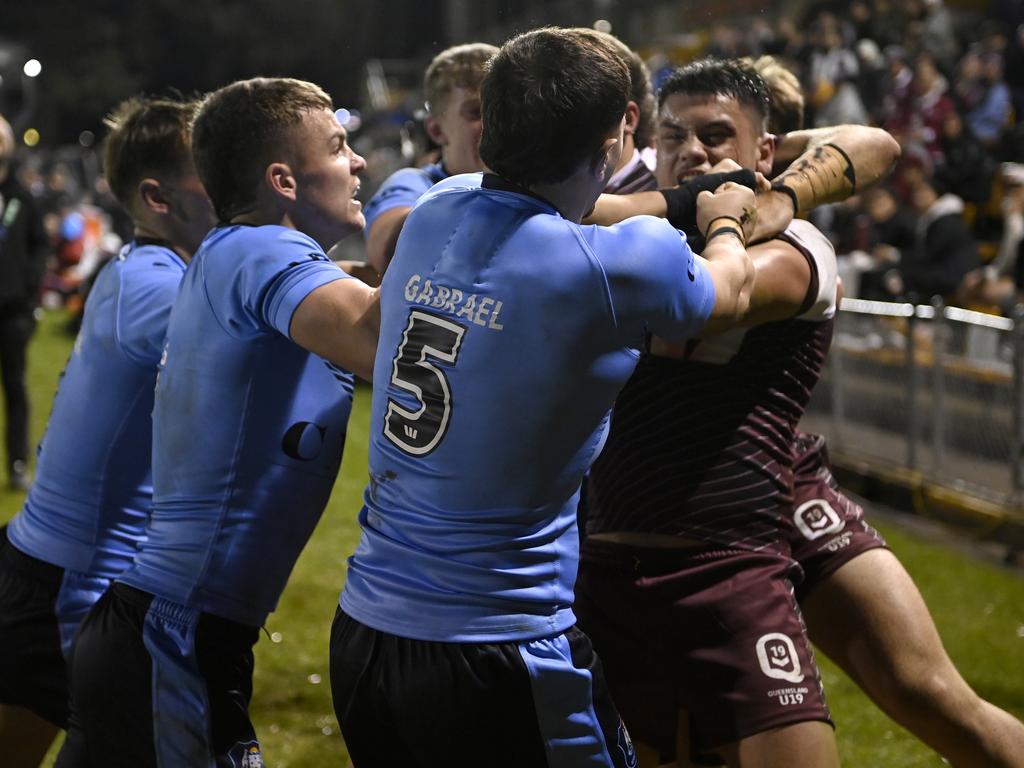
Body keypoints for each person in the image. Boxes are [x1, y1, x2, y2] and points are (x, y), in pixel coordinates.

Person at [330, 27, 763, 768]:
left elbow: (553, 215)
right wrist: (723, 218)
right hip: (500, 642)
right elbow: (731, 290)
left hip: (367, 629)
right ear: (618, 134)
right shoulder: (622, 264)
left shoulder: (437, 210)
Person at [576, 58, 1024, 768]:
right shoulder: (632, 214)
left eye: (719, 134)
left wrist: (764, 192)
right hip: (660, 515)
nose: (692, 149)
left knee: (925, 689)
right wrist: (693, 190)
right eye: (674, 136)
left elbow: (872, 143)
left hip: (762, 501)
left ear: (769, 147)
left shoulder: (792, 242)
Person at [58, 77, 380, 768]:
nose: (358, 163)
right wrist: (440, 225)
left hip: (158, 628)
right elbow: (385, 344)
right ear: (283, 180)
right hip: (175, 637)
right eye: (339, 146)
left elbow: (371, 289)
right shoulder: (259, 250)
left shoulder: (245, 253)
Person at [0, 95, 214, 768]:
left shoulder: (150, 271)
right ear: (156, 196)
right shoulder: (159, 286)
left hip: (66, 575)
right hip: (72, 589)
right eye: (215, 170)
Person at [362, 42, 497, 279]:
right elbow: (385, 249)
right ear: (436, 131)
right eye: (475, 112)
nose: (494, 123)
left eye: (500, 109)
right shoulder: (415, 183)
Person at [0, 114, 48, 491]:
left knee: (15, 388)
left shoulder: (22, 197)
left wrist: (26, 289)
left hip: (12, 313)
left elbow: (40, 248)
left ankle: (17, 464)